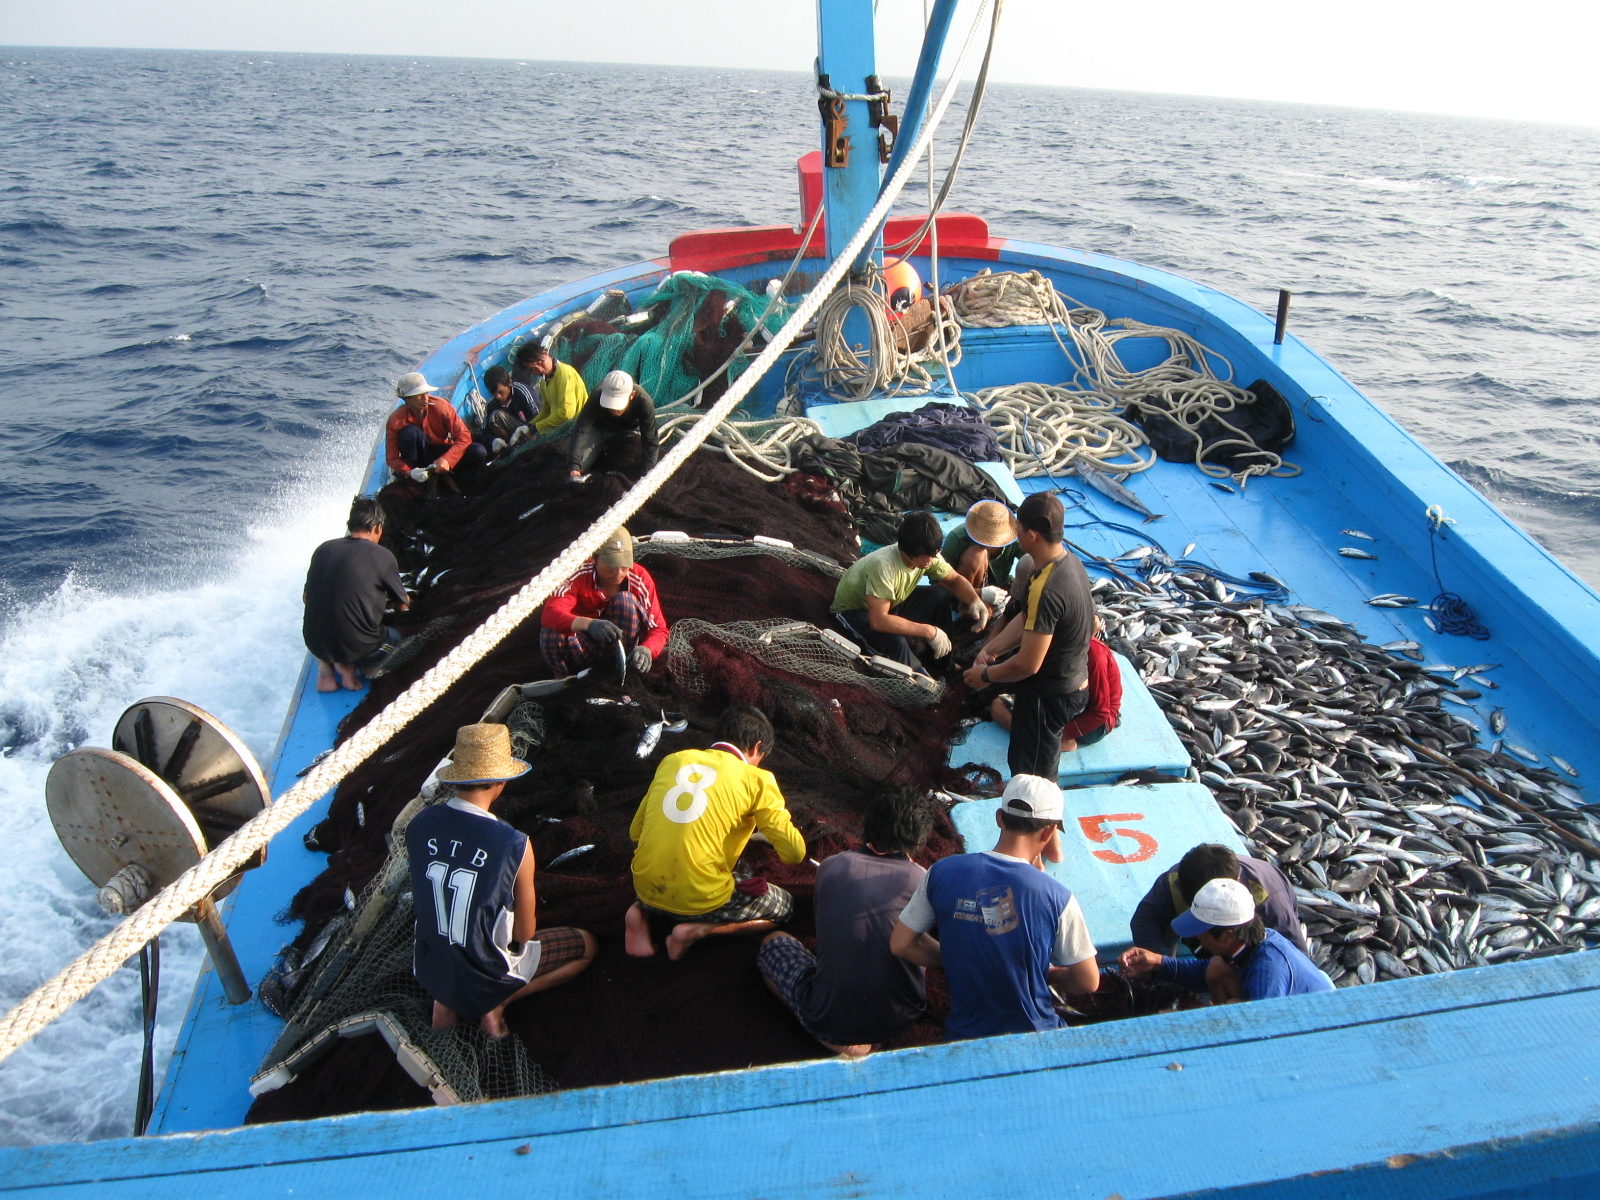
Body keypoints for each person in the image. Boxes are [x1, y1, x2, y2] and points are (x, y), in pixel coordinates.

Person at [405, 723, 599, 1038]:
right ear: (500, 782)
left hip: (429, 966)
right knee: (586, 946)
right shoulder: (514, 843)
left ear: (457, 778)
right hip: (485, 974)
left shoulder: (419, 824)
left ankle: (444, 1002)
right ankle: (497, 1002)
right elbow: (525, 932)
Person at [890, 775, 1099, 1039]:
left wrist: (964, 957)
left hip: (963, 1036)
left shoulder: (941, 872)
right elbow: (1088, 981)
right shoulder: (1058, 897)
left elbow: (901, 944)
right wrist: (1053, 977)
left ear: (999, 817)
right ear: (1048, 832)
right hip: (1037, 1036)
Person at [757, 786, 933, 1058]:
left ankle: (834, 1039)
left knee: (773, 944)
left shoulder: (832, 866)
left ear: (869, 827)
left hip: (827, 1016)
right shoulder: (924, 880)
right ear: (920, 840)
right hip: (902, 1015)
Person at [625, 705, 806, 961]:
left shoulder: (674, 760)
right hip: (700, 897)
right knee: (784, 908)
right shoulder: (758, 780)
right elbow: (794, 854)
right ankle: (698, 931)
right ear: (757, 747)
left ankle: (639, 914)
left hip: (645, 886)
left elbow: (636, 831)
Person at [962, 492, 1095, 781]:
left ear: (1032, 535)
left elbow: (1027, 665)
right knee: (1030, 766)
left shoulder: (1049, 588)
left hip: (1051, 695)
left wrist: (985, 675)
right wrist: (992, 649)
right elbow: (1026, 619)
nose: (1015, 533)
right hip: (1068, 682)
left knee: (1034, 779)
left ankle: (1045, 825)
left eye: (1018, 527)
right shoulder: (1065, 562)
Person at [1120, 878, 1333, 1005]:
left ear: (1228, 936)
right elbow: (1203, 971)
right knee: (1216, 967)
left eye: (1201, 931)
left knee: (1233, 1006)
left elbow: (1266, 1031)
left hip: (1315, 1025)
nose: (1196, 938)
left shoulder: (1268, 970)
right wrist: (1158, 963)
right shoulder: (1255, 940)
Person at [830, 511, 988, 673]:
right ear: (905, 549)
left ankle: (942, 662)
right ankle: (915, 679)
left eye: (933, 554)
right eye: (924, 556)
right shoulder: (884, 567)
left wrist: (975, 600)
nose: (929, 562)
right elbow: (879, 621)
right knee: (896, 641)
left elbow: (954, 579)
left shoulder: (929, 557)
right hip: (857, 612)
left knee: (940, 595)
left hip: (891, 602)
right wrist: (929, 631)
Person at [302, 496, 410, 692]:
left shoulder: (323, 549)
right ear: (378, 528)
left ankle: (326, 666)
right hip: (359, 646)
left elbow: (306, 599)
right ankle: (348, 665)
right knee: (397, 639)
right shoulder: (382, 555)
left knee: (331, 625)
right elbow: (401, 606)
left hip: (313, 642)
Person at [1129, 842, 1308, 957]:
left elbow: (1296, 955)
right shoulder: (1175, 878)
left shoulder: (1271, 900)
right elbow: (1145, 919)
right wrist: (1159, 961)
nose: (1199, 935)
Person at [539, 529, 668, 677]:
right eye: (611, 564)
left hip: (620, 650)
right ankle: (564, 679)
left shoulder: (639, 577)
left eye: (624, 563)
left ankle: (621, 670)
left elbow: (659, 628)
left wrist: (647, 650)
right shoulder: (577, 574)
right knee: (550, 633)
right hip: (582, 648)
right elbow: (550, 614)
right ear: (593, 558)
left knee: (625, 600)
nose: (618, 572)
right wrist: (589, 624)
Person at [989, 626, 1123, 754]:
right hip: (1061, 703)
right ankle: (1037, 736)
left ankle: (1055, 740)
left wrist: (1061, 734)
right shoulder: (1051, 644)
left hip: (1095, 722)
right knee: (998, 705)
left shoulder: (1094, 654)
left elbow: (1100, 713)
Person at [385, 371, 488, 488]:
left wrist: (447, 460)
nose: (425, 398)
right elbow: (392, 458)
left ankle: (460, 485)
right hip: (416, 461)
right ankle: (413, 483)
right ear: (407, 399)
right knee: (410, 433)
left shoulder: (442, 407)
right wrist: (409, 472)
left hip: (439, 451)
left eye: (426, 392)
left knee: (478, 451)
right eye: (419, 395)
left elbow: (464, 436)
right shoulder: (395, 420)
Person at [567, 370, 657, 480]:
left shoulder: (644, 402)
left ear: (632, 395)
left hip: (631, 428)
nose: (614, 410)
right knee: (581, 465)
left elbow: (650, 439)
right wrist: (574, 466)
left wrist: (648, 473)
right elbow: (582, 429)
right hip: (601, 427)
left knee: (629, 463)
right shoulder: (597, 396)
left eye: (618, 404)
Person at [942, 499, 1020, 595]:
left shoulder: (1016, 539)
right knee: (976, 554)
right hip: (962, 592)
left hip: (1001, 587)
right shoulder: (957, 538)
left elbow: (1035, 563)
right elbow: (939, 582)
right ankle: (966, 606)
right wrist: (978, 594)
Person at [514, 342, 590, 437]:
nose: (540, 369)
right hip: (560, 430)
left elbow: (566, 413)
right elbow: (546, 411)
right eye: (533, 369)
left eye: (540, 362)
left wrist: (537, 427)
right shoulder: (543, 382)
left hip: (578, 429)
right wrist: (530, 425)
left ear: (545, 353)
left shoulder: (564, 374)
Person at [477, 365, 537, 457]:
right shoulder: (492, 406)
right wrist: (493, 440)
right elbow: (486, 432)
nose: (497, 396)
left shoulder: (522, 391)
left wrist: (525, 428)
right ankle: (510, 451)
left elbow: (538, 413)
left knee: (497, 416)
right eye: (493, 393)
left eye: (500, 392)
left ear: (509, 383)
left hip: (531, 432)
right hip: (511, 441)